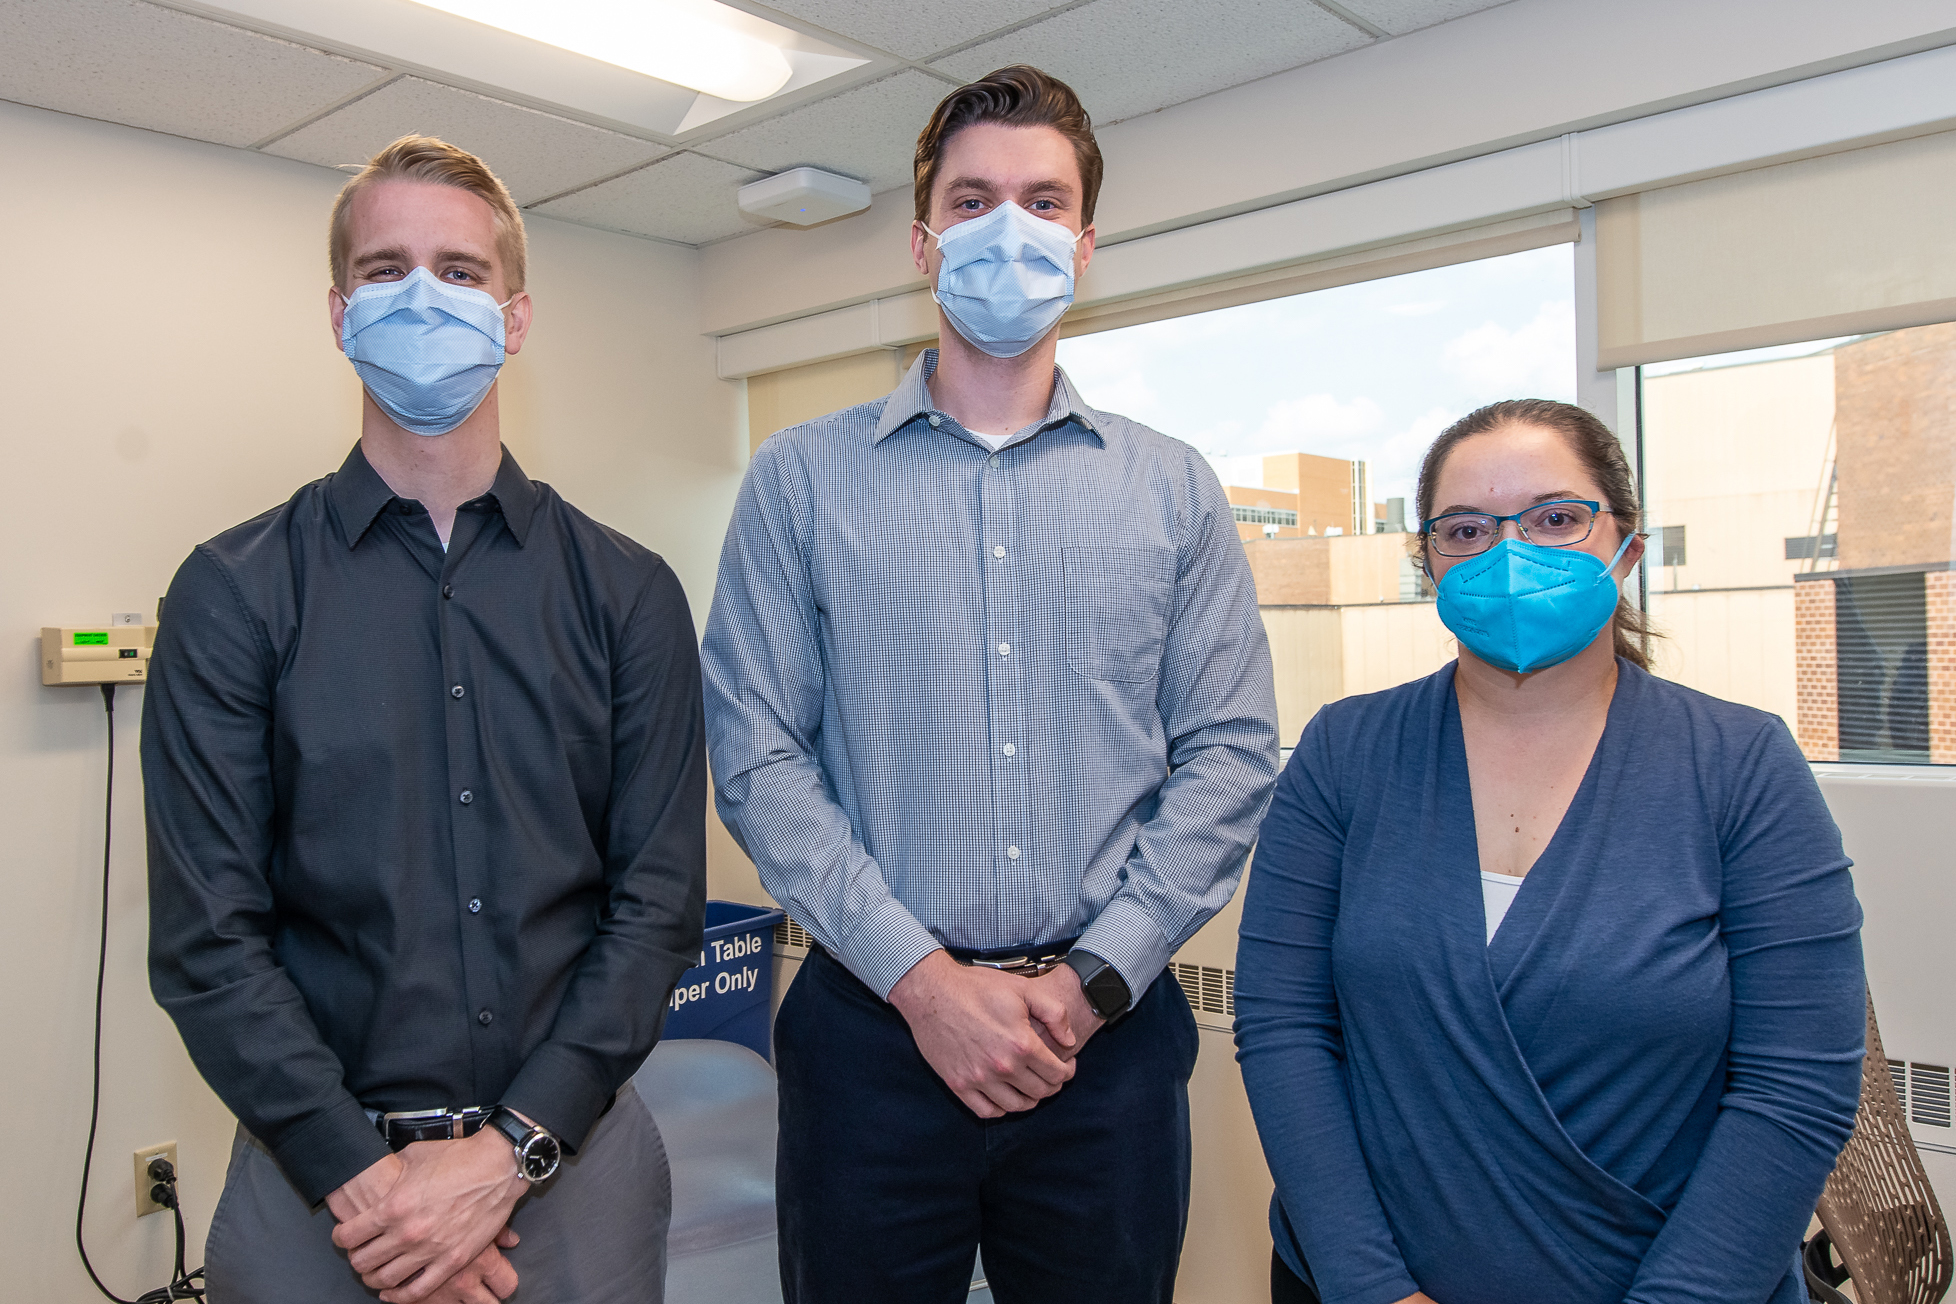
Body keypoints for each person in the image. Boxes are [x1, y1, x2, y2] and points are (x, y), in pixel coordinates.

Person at [701, 65, 1280, 1304]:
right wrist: (923, 981)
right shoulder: (800, 483)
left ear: (1084, 243)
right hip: (869, 1041)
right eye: (973, 200)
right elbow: (757, 756)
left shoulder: (1172, 489)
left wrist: (1084, 984)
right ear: (923, 240)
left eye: (1040, 200)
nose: (1006, 227)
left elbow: (1230, 756)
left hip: (1107, 1047)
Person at [143, 135, 706, 1304]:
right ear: (341, 312)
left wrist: (504, 1160)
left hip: (575, 1169)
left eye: (458, 270)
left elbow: (652, 913)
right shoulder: (234, 591)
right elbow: (209, 938)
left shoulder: (627, 592)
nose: (423, 296)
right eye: (388, 268)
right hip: (320, 1189)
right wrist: (373, 1191)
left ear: (515, 315)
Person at [1234, 398, 1866, 1304]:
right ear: (1429, 566)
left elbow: (1795, 1087)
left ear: (1628, 547)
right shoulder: (1344, 751)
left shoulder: (1740, 764)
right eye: (1465, 529)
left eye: (1556, 517)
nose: (1509, 552)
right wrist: (1371, 1288)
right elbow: (1285, 1028)